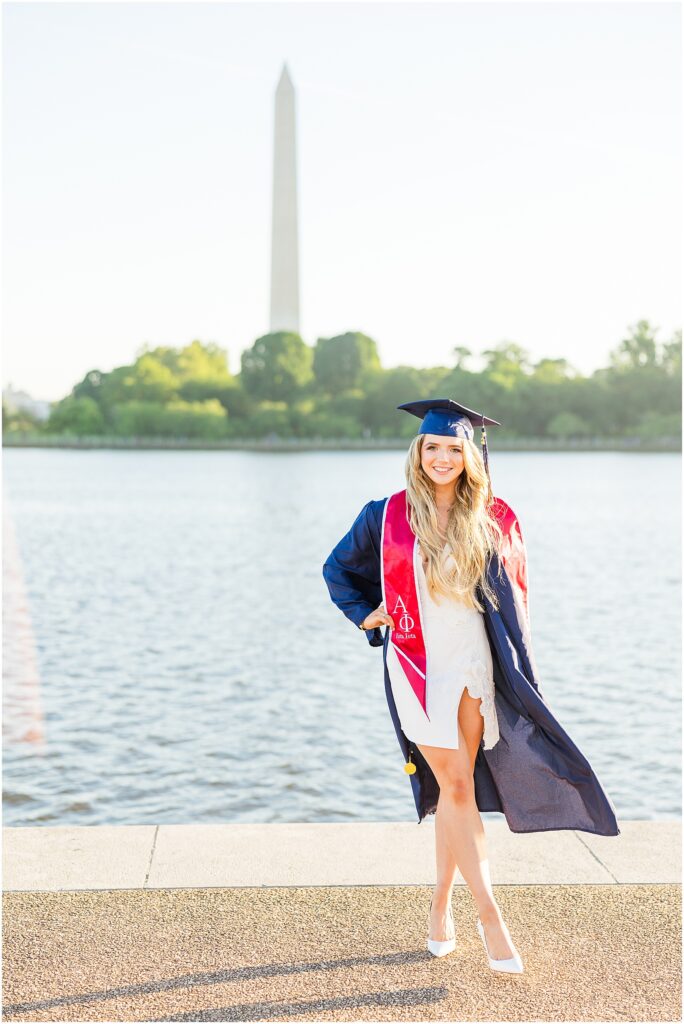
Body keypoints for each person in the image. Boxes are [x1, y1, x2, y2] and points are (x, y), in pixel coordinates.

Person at [322, 397, 619, 971]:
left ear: (468, 456)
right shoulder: (382, 517)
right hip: (414, 662)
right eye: (432, 447)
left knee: (455, 790)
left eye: (453, 448)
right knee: (455, 786)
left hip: (471, 661)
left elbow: (517, 597)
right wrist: (365, 614)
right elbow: (336, 570)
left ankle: (439, 909)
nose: (441, 457)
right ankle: (491, 919)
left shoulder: (492, 515)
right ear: (418, 452)